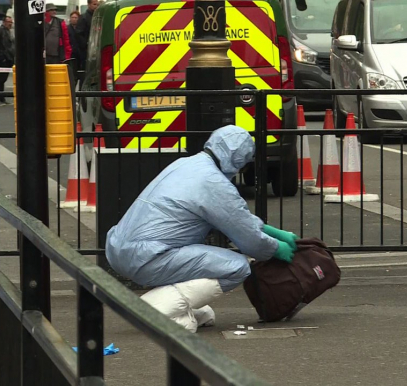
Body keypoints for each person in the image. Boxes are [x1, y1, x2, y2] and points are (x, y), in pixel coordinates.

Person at [105, 125, 299, 332]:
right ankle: (152, 310)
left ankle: (176, 308)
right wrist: (276, 248)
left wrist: (273, 233)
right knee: (237, 267)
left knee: (203, 280)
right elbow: (250, 240)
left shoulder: (187, 164)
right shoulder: (214, 183)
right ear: (239, 159)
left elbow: (236, 218)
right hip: (148, 256)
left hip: (122, 248)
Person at [68, 11, 84, 86]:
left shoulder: (80, 28)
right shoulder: (67, 28)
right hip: (71, 55)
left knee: (81, 75)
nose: (74, 19)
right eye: (72, 17)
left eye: (76, 18)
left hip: (80, 55)